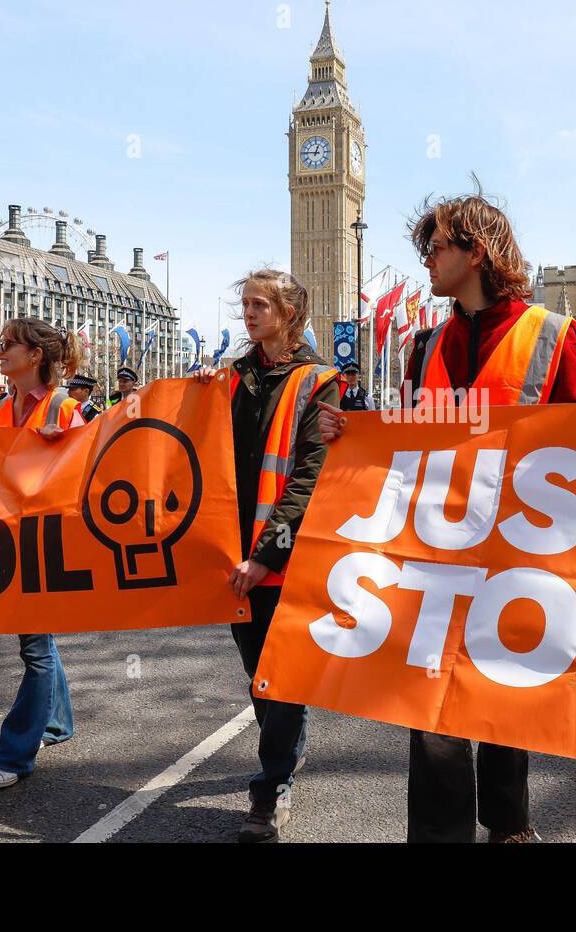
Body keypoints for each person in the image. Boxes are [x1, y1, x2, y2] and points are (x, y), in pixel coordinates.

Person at [317, 191, 576, 843]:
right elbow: (403, 439)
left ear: (476, 252)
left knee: (504, 698)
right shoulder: (424, 344)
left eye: (435, 249)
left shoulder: (551, 334)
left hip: (519, 555)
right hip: (435, 553)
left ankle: (509, 822)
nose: (426, 263)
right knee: (433, 712)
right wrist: (351, 432)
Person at [194, 269, 340, 842]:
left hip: (286, 554)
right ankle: (284, 754)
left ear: (290, 312)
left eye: (260, 304)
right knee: (259, 676)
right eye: (245, 304)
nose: (249, 313)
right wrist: (196, 395)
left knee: (278, 679)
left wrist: (267, 554)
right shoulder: (229, 377)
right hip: (229, 551)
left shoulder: (320, 381)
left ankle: (271, 789)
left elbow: (311, 475)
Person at [0, 317, 85, 791]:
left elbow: (88, 472)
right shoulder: (1, 409)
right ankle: (57, 724)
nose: (1, 352)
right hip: (7, 537)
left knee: (35, 647)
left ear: (35, 355)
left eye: (8, 345)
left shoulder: (63, 408)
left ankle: (15, 753)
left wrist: (67, 452)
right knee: (36, 642)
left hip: (48, 539)